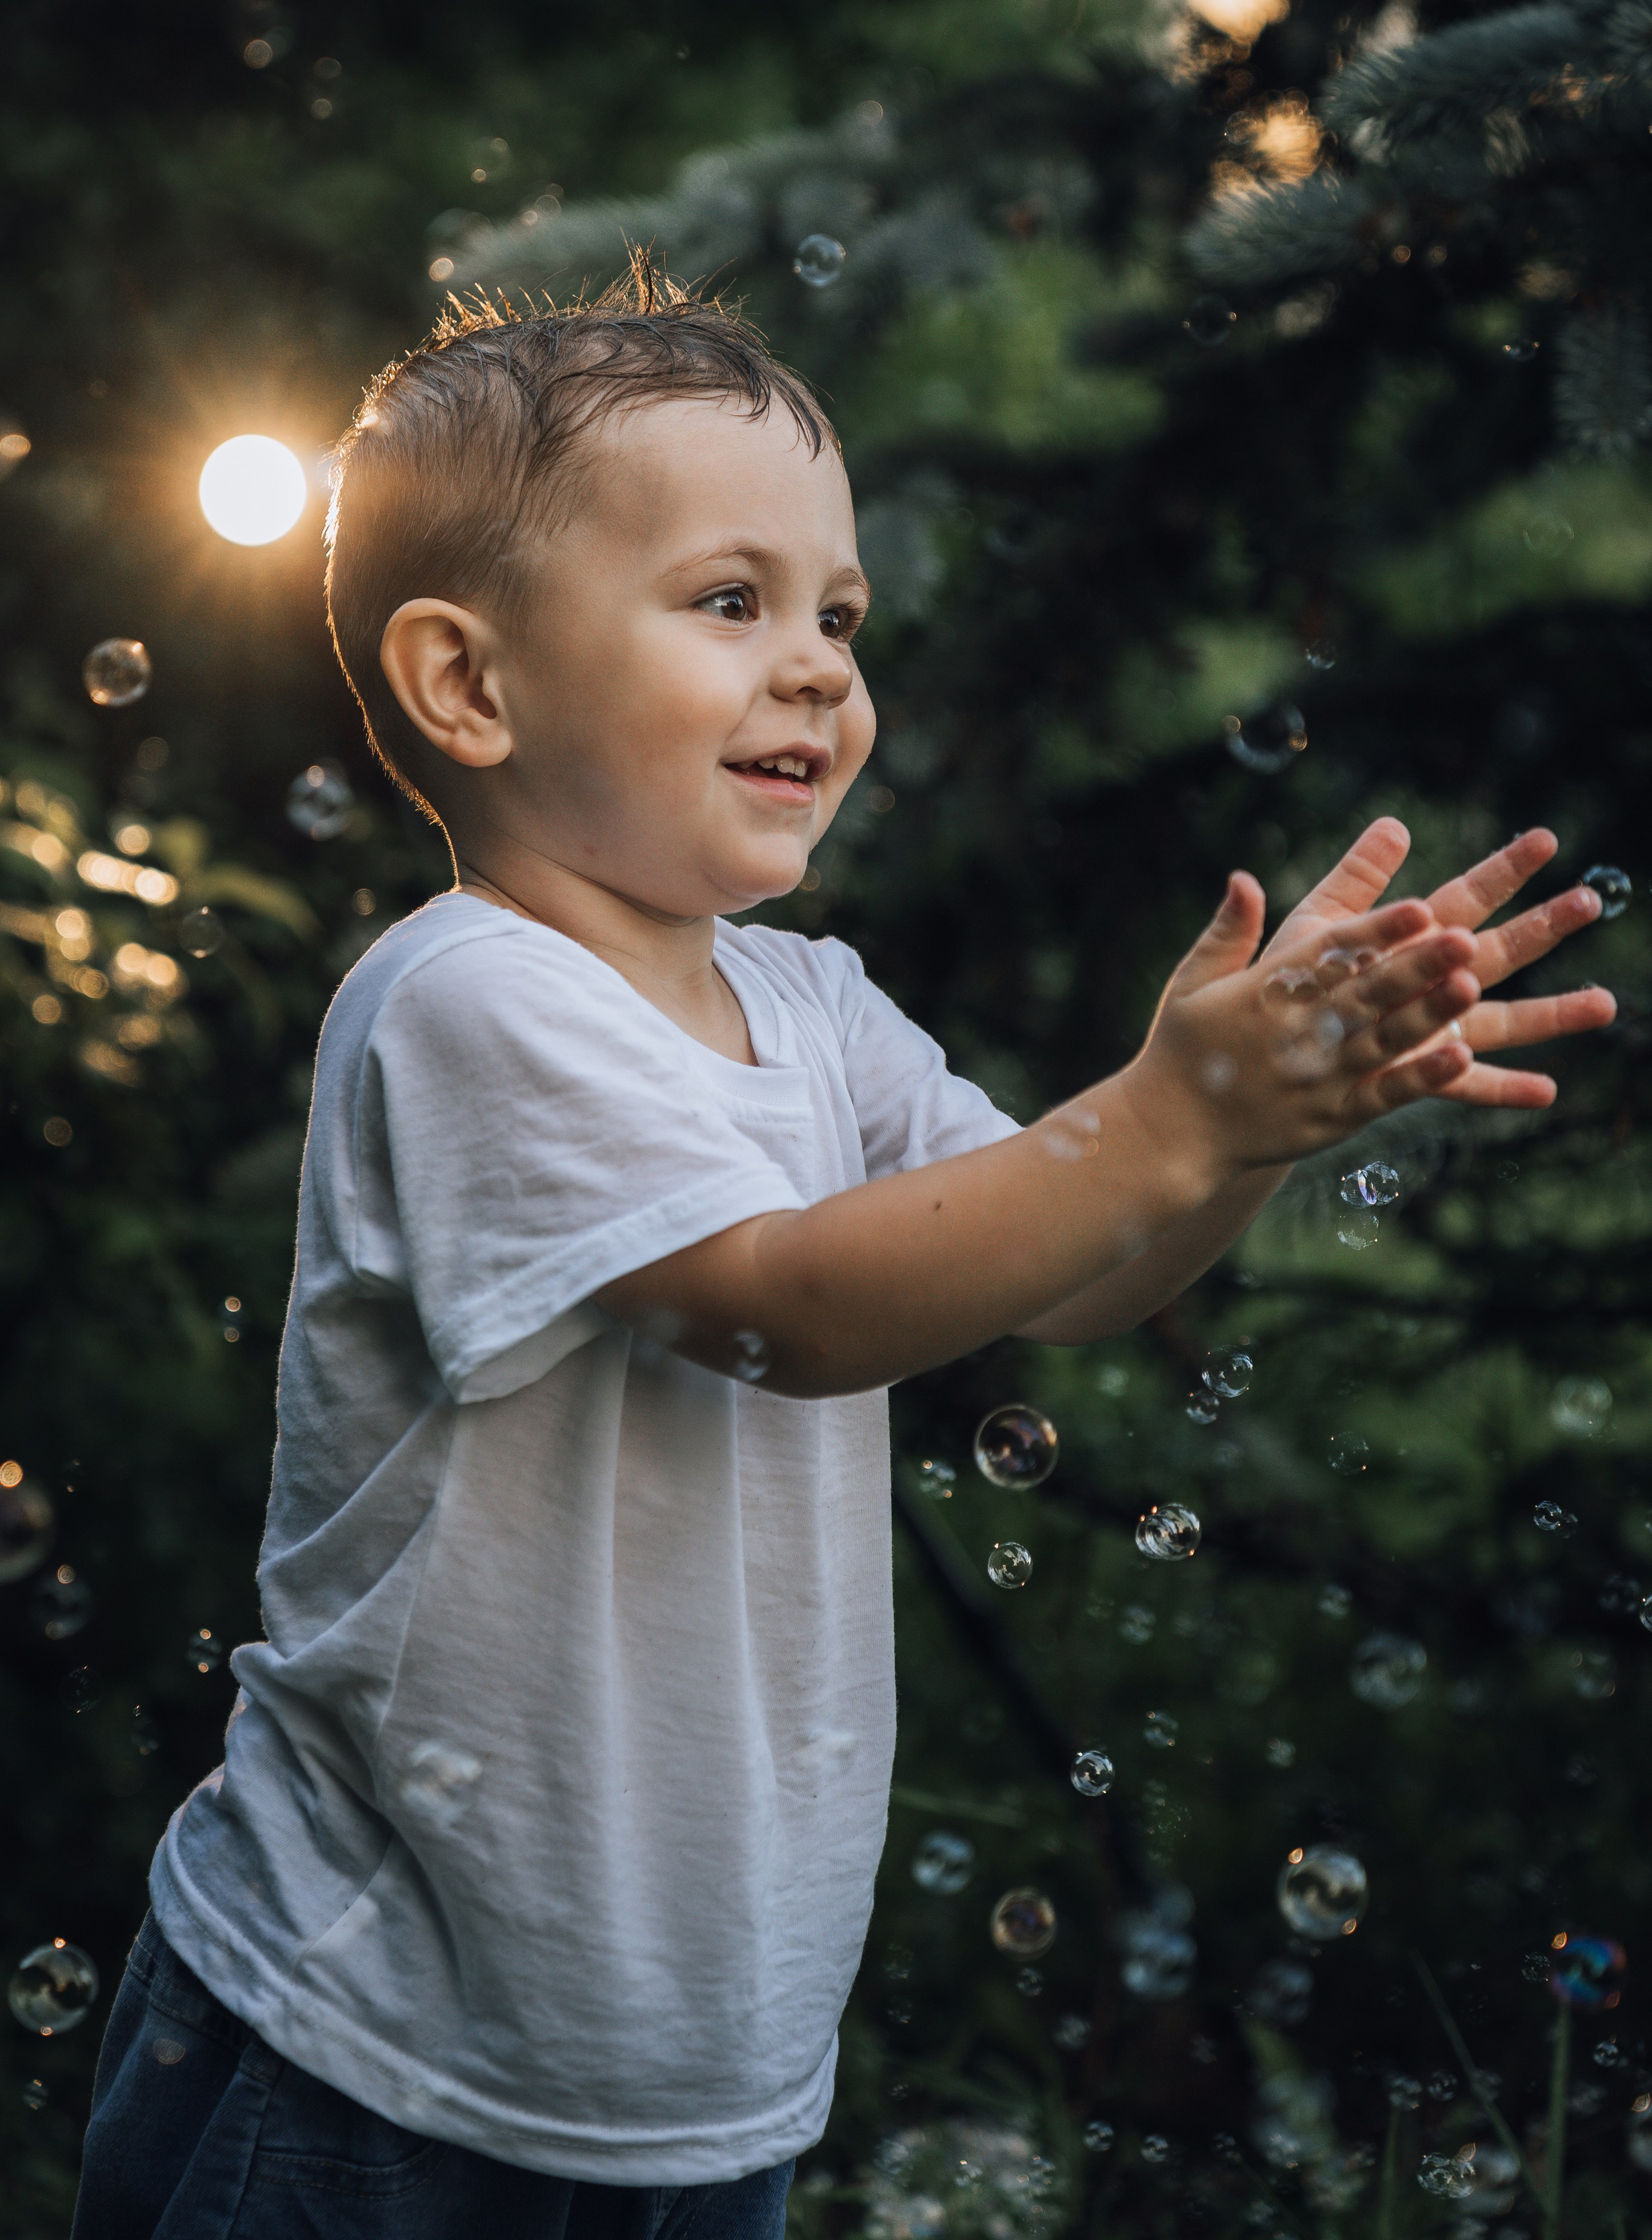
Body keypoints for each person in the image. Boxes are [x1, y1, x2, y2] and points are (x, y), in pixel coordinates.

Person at [72, 269, 1615, 2239]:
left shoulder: (814, 1008)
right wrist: (1165, 1116)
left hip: (693, 2066)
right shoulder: (468, 996)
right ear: (470, 685)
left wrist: (1237, 1137)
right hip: (374, 2046)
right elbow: (783, 1306)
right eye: (732, 602)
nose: (817, 668)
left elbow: (1066, 1272)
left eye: (839, 615)